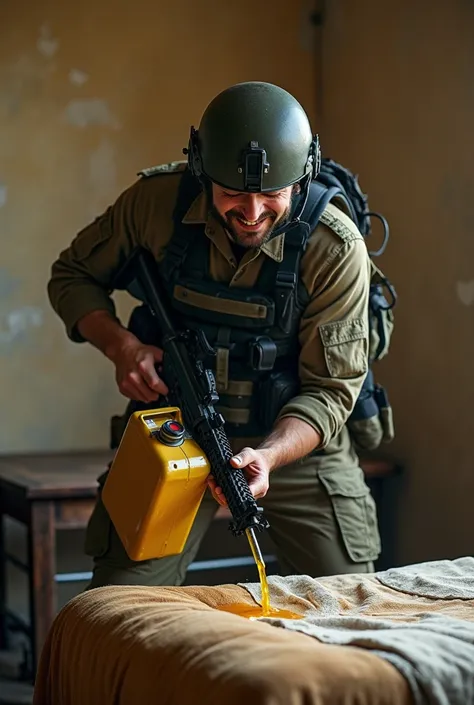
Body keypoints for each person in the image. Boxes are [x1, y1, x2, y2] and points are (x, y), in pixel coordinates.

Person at [47, 81, 381, 589]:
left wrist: (267, 456)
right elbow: (72, 276)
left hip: (295, 444)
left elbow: (331, 392)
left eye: (271, 194)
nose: (251, 214)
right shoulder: (153, 207)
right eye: (231, 193)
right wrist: (123, 348)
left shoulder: (333, 248)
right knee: (120, 607)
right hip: (174, 433)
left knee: (354, 604)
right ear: (203, 171)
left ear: (301, 177)